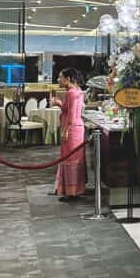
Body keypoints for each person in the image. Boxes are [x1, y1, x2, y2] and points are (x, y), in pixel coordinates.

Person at [51, 68, 86, 201]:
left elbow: (71, 115)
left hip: (72, 129)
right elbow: (68, 109)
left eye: (60, 77)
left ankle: (72, 192)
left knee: (70, 159)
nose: (58, 80)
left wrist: (65, 130)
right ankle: (73, 189)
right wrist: (58, 103)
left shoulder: (71, 93)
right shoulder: (77, 90)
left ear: (68, 79)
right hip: (76, 127)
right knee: (74, 159)